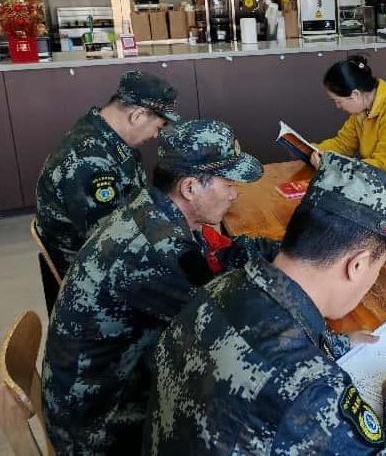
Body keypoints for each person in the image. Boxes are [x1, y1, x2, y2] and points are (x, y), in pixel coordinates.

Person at [145, 152, 386, 454]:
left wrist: (329, 344)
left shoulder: (224, 285)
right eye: (378, 268)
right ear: (357, 265)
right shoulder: (309, 389)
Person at [42, 119, 274, 454]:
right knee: (247, 414)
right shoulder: (159, 249)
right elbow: (231, 332)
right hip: (98, 429)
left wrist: (286, 253)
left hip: (97, 391)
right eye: (228, 183)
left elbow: (215, 261)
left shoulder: (153, 207)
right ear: (190, 188)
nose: (235, 193)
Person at [34, 69, 179, 310]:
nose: (156, 135)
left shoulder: (107, 135)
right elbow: (113, 247)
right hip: (92, 284)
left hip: (114, 254)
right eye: (159, 126)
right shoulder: (89, 161)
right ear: (138, 115)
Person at [312, 55, 386, 176]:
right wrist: (315, 150)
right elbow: (343, 143)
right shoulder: (363, 107)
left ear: (355, 95)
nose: (338, 106)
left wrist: (337, 167)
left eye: (338, 101)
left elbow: (383, 165)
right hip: (380, 175)